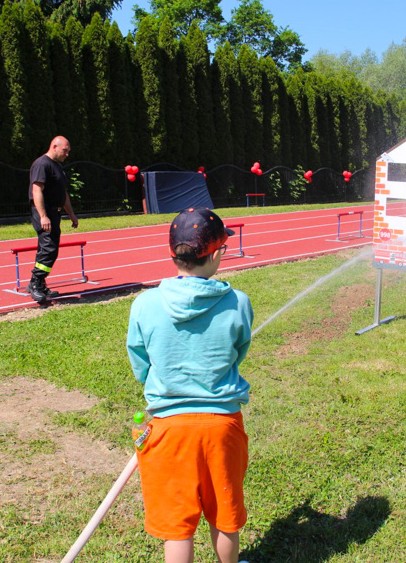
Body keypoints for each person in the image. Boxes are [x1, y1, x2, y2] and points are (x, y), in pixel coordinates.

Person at [126, 208, 253, 563]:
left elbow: (140, 360)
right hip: (222, 426)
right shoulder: (238, 302)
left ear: (173, 254)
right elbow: (237, 352)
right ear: (215, 254)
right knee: (224, 516)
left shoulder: (144, 303)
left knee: (177, 527)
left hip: (168, 428)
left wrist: (161, 383)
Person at [27, 136, 79, 303]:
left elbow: (63, 194)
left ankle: (40, 285)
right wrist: (43, 216)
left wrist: (71, 213)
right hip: (45, 211)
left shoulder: (57, 167)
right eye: (65, 150)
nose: (67, 154)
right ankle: (35, 284)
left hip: (55, 212)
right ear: (54, 146)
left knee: (50, 249)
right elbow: (37, 190)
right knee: (49, 248)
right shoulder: (42, 164)